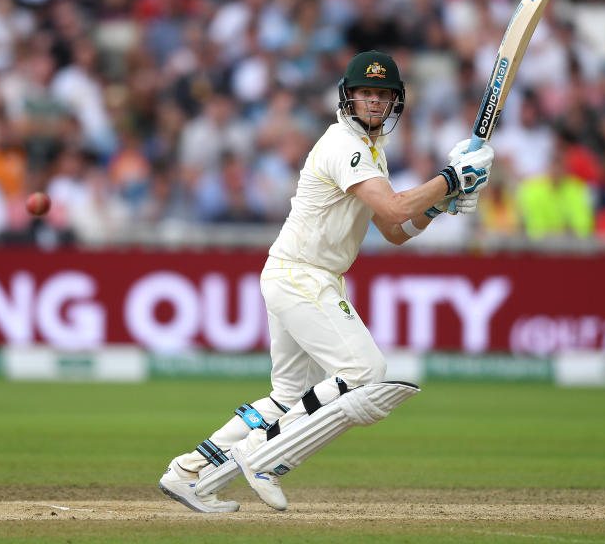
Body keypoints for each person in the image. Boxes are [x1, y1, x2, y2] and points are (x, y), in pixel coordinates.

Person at [157, 50, 495, 513]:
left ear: (394, 103)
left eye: (383, 95)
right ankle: (263, 457)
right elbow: (396, 208)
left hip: (299, 273)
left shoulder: (372, 150)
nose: (374, 102)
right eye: (366, 93)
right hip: (302, 274)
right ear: (348, 98)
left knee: (288, 398)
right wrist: (450, 178)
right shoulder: (345, 145)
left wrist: (442, 204)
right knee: (365, 374)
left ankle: (188, 473)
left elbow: (394, 230)